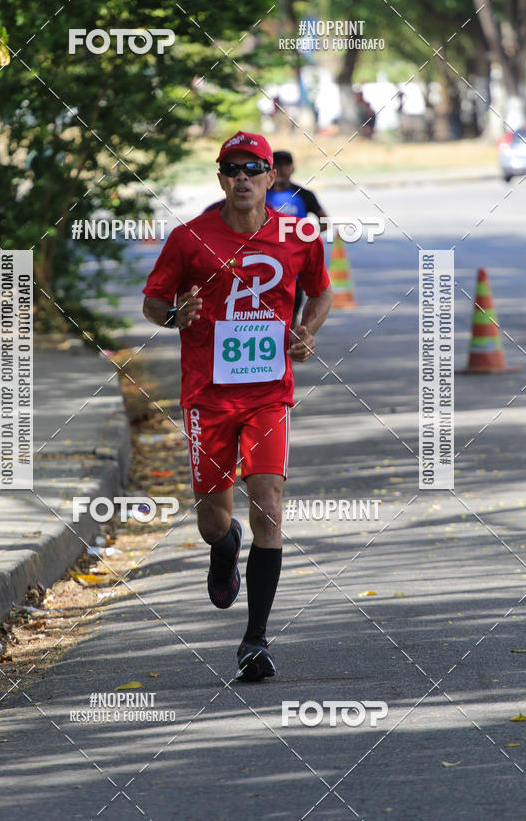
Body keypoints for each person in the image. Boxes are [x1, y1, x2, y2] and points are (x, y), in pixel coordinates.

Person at [142, 131, 333, 681]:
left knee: (268, 502)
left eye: (254, 168)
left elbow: (321, 293)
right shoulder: (189, 239)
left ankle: (256, 640)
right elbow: (154, 303)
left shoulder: (299, 234)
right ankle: (224, 548)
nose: (243, 177)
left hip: (269, 391)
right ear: (221, 178)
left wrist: (307, 330)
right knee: (212, 520)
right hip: (207, 395)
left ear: (272, 177)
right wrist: (177, 313)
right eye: (232, 168)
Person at [265, 150, 328, 326]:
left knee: (290, 319)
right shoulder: (260, 194)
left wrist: (304, 239)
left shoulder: (304, 194)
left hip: (293, 267)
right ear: (271, 169)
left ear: (292, 168)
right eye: (278, 165)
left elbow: (324, 221)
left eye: (286, 164)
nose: (283, 168)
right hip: (264, 263)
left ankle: (289, 351)